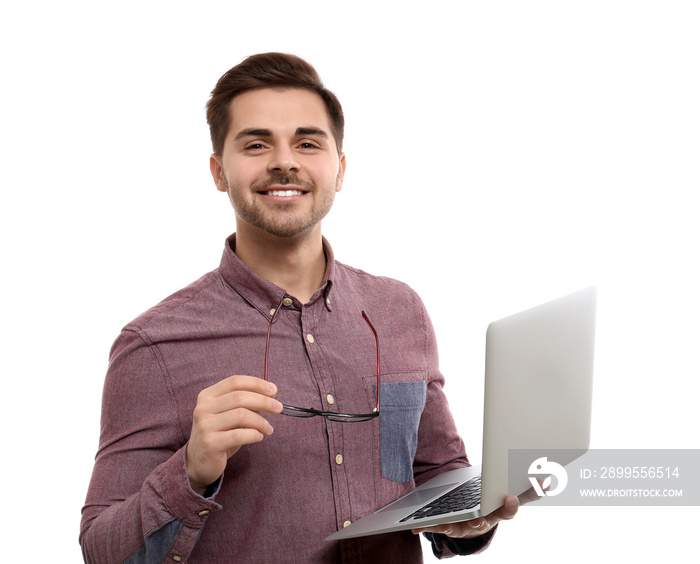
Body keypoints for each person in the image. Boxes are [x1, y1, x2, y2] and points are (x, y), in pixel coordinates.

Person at [80, 52, 522, 563]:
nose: (284, 161)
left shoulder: (400, 309)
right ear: (219, 172)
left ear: (339, 168)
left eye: (307, 143)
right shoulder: (154, 344)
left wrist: (470, 515)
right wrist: (192, 469)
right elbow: (101, 550)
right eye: (256, 144)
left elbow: (438, 473)